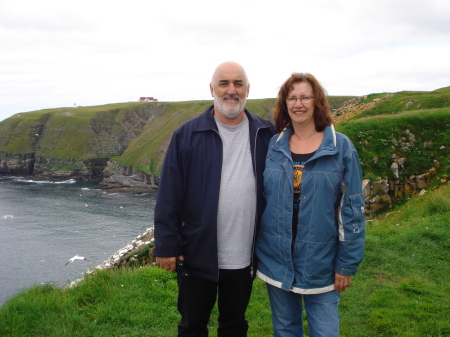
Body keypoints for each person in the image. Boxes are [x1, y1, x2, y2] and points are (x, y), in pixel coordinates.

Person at [153, 61, 276, 337]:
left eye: (238, 83)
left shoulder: (266, 134)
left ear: (248, 89)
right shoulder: (187, 135)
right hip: (197, 252)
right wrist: (165, 245)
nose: (231, 90)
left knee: (234, 325)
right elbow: (168, 194)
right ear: (212, 89)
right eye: (224, 83)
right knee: (192, 326)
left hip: (244, 254)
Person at [255, 73, 365, 337]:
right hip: (276, 259)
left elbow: (352, 210)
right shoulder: (274, 145)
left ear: (317, 101)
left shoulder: (341, 148)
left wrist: (346, 265)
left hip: (322, 263)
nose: (298, 104)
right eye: (292, 98)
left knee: (325, 331)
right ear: (285, 104)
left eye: (305, 97)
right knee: (284, 329)